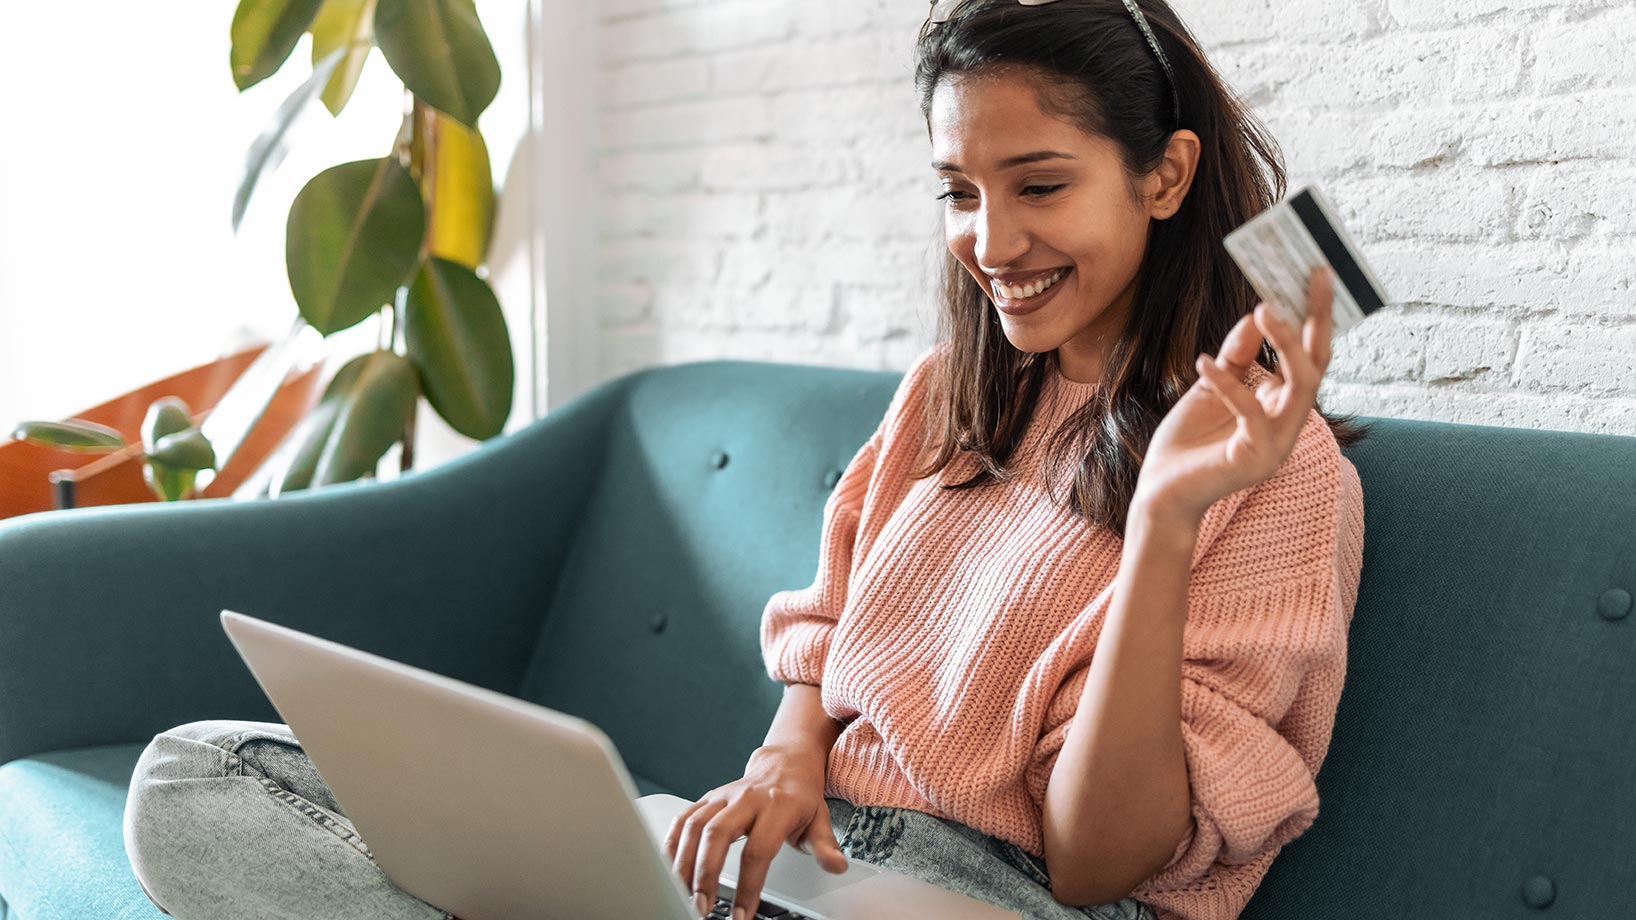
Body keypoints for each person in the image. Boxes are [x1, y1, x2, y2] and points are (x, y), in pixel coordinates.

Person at [122, 2, 1367, 920]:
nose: (990, 243)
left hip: (992, 897)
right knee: (194, 777)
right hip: (811, 862)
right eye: (956, 192)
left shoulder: (1277, 469)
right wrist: (778, 763)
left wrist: (1159, 521)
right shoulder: (952, 394)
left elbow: (1101, 862)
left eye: (1037, 184)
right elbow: (823, 652)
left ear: (1164, 172)